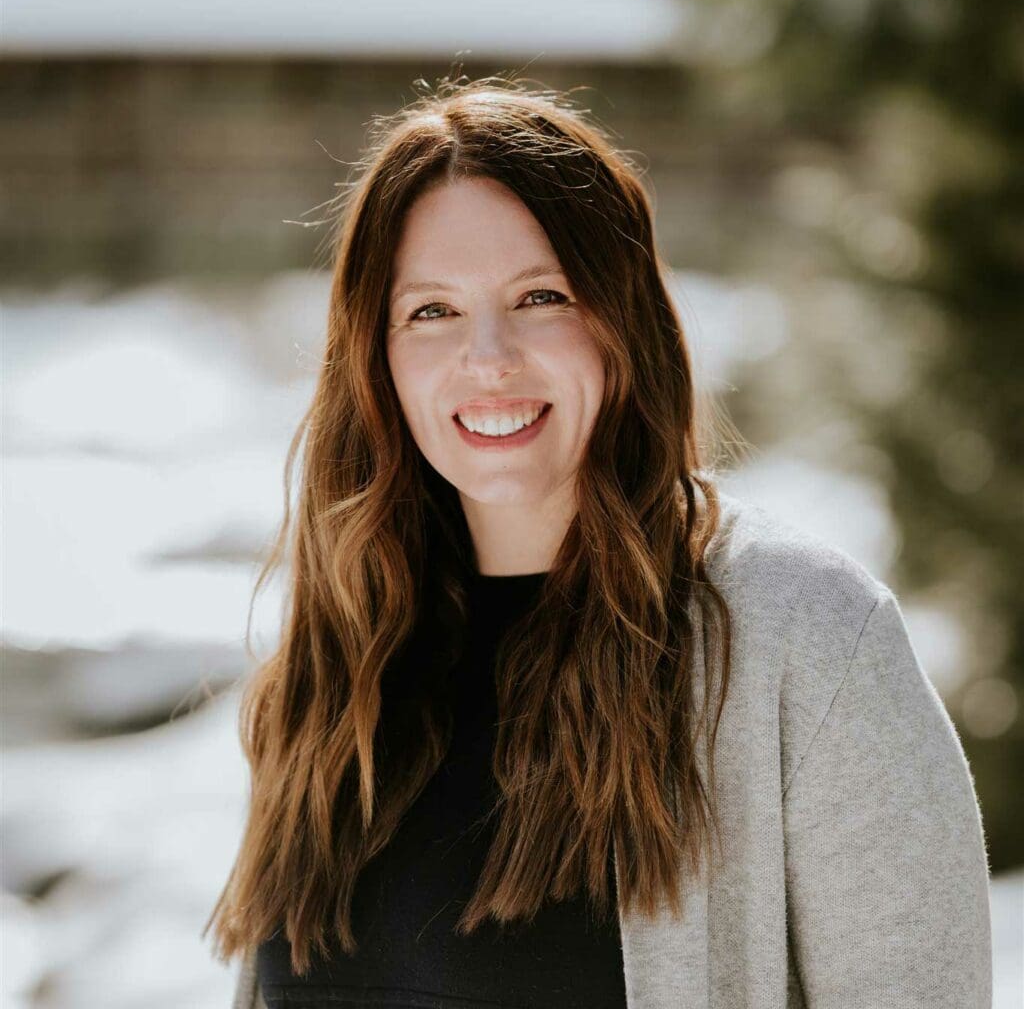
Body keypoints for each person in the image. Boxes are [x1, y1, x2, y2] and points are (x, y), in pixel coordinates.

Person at [205, 74, 992, 1008]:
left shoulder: (806, 638)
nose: (488, 359)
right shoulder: (344, 655)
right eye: (432, 311)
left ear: (625, 323)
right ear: (376, 359)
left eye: (542, 297)